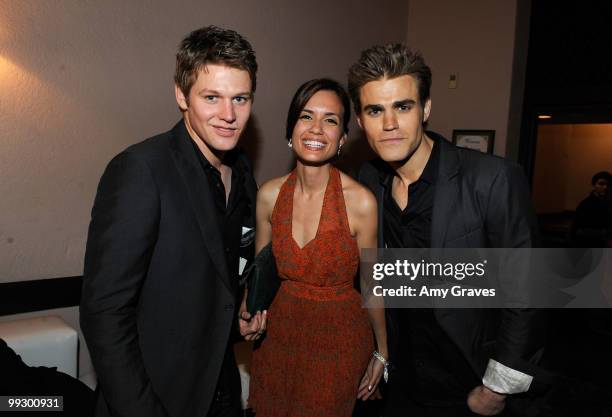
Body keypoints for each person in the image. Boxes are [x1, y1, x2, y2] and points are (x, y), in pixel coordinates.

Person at [349, 44, 545, 416]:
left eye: (402, 107)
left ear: (425, 109)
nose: (389, 124)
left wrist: (495, 389)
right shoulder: (368, 181)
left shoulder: (492, 178)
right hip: (401, 384)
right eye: (375, 110)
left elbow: (529, 291)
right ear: (361, 121)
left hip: (469, 385)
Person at [80, 26, 263, 417]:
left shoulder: (243, 172)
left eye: (240, 99)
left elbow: (215, 280)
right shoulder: (141, 170)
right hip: (155, 398)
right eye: (211, 97)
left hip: (221, 389)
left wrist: (239, 320)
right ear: (181, 95)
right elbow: (105, 313)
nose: (229, 116)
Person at [245, 79, 388, 417]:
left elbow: (372, 285)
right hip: (278, 340)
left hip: (338, 341)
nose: (316, 129)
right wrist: (247, 312)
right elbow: (260, 273)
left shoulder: (361, 203)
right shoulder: (268, 195)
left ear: (341, 139)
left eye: (331, 120)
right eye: (306, 116)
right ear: (290, 128)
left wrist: (382, 351)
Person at [572, 171, 610, 247]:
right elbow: (577, 230)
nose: (606, 187)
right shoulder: (585, 205)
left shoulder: (608, 203)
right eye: (601, 184)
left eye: (608, 185)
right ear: (593, 186)